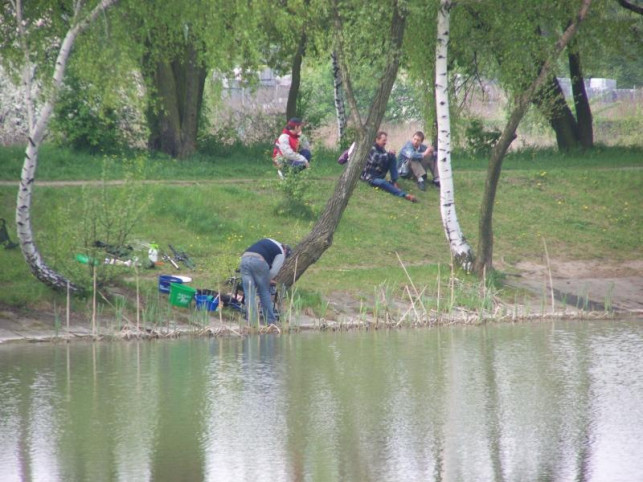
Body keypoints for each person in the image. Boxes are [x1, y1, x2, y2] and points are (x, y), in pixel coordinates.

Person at [240, 238, 291, 325]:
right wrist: (268, 280)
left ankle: (252, 322)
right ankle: (270, 321)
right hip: (259, 261)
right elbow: (273, 272)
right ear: (285, 250)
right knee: (264, 292)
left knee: (249, 293)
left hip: (244, 259)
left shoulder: (270, 240)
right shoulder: (281, 253)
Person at [361, 131, 417, 203]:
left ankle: (394, 181)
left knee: (392, 157)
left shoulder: (382, 149)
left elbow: (385, 158)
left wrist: (390, 154)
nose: (385, 142)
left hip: (379, 174)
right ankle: (404, 195)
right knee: (383, 183)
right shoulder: (371, 148)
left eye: (386, 140)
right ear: (377, 140)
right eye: (383, 140)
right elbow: (377, 159)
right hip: (370, 177)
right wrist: (388, 154)